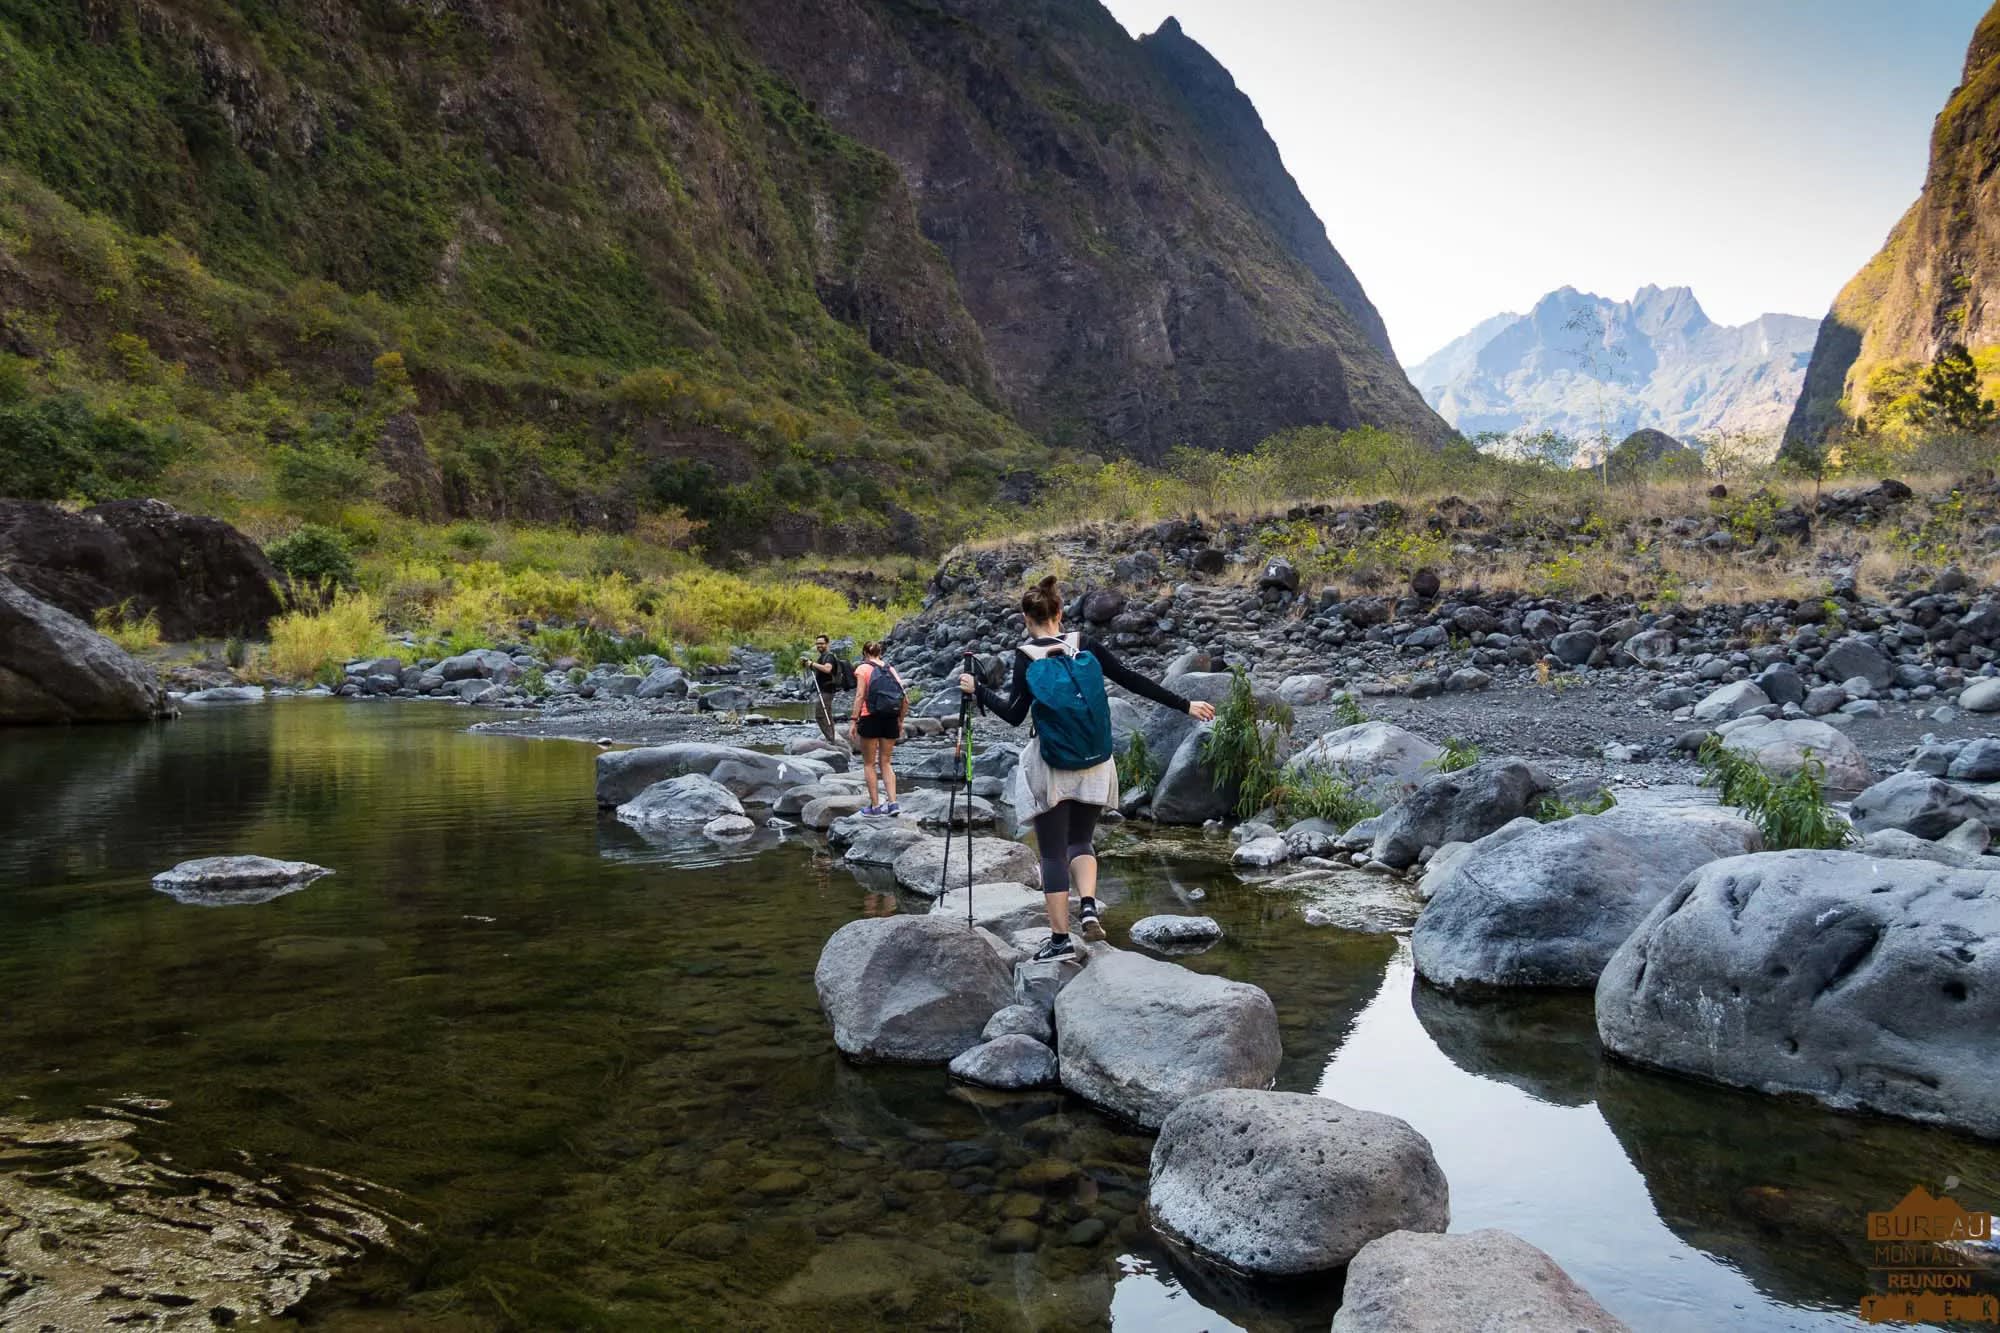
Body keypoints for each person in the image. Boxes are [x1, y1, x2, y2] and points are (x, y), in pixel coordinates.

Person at [961, 575, 1215, 962]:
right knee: (1081, 840)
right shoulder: (1085, 644)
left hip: (1052, 763)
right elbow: (1131, 680)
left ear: (1026, 617)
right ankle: (1090, 908)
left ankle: (1061, 940)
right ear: (1059, 612)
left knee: (1051, 852)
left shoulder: (1026, 655)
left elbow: (1013, 716)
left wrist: (977, 690)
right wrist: (1185, 705)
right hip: (1096, 760)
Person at [850, 642, 908, 815]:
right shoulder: (890, 669)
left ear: (864, 653)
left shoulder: (863, 669)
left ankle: (875, 806)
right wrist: (900, 720)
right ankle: (893, 804)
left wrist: (853, 720)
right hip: (890, 718)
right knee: (886, 762)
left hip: (870, 718)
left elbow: (860, 695)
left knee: (869, 763)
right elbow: (905, 699)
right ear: (880, 653)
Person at [800, 634, 852, 748]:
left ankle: (830, 740)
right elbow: (821, 669)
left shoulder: (829, 656)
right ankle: (831, 738)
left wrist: (812, 664)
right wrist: (810, 665)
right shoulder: (823, 656)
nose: (819, 646)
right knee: (826, 714)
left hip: (827, 690)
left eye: (822, 643)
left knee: (820, 715)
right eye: (817, 643)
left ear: (827, 644)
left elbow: (827, 669)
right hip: (825, 689)